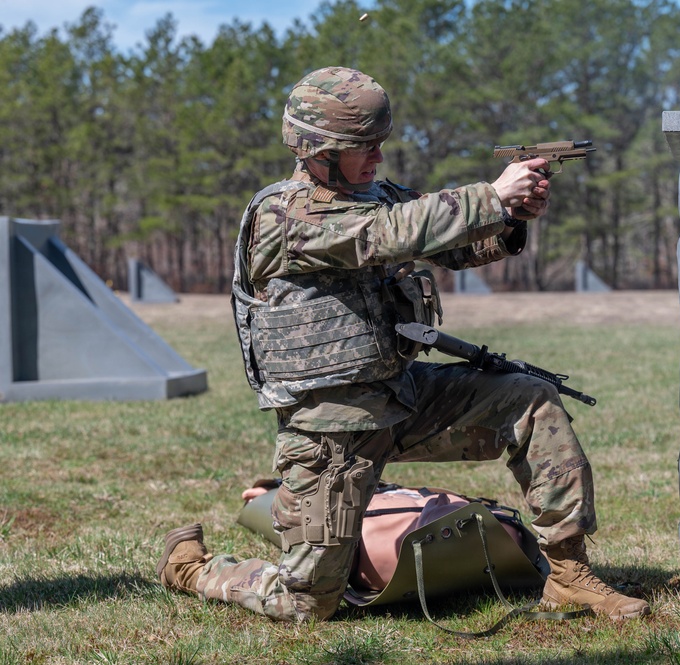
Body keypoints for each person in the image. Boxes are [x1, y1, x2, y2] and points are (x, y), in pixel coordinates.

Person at [155, 66, 650, 622]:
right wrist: (490, 195)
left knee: (528, 399)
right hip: (331, 427)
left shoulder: (379, 196)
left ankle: (569, 575)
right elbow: (388, 234)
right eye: (363, 146)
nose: (377, 158)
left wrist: (510, 216)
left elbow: (455, 245)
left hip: (402, 396)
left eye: (379, 144)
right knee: (308, 603)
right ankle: (195, 569)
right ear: (317, 149)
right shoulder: (284, 214)